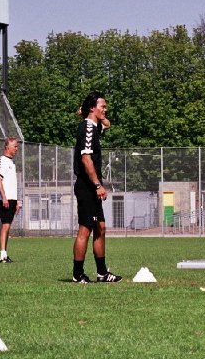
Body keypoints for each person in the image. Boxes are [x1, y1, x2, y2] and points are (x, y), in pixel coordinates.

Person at [72, 92, 122, 283]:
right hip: (87, 186)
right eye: (102, 106)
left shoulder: (94, 125)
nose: (105, 109)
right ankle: (77, 274)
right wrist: (98, 185)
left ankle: (102, 273)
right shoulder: (87, 128)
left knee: (100, 227)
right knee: (85, 230)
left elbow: (107, 123)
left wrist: (88, 113)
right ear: (92, 108)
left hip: (92, 187)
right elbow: (86, 160)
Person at [0, 137, 21, 263]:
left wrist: (17, 201)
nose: (16, 148)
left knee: (8, 225)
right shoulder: (1, 161)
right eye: (14, 146)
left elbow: (12, 183)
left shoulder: (11, 163)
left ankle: (5, 253)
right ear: (7, 147)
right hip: (4, 199)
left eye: (17, 146)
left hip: (12, 199)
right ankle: (2, 255)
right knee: (5, 225)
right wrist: (4, 197)